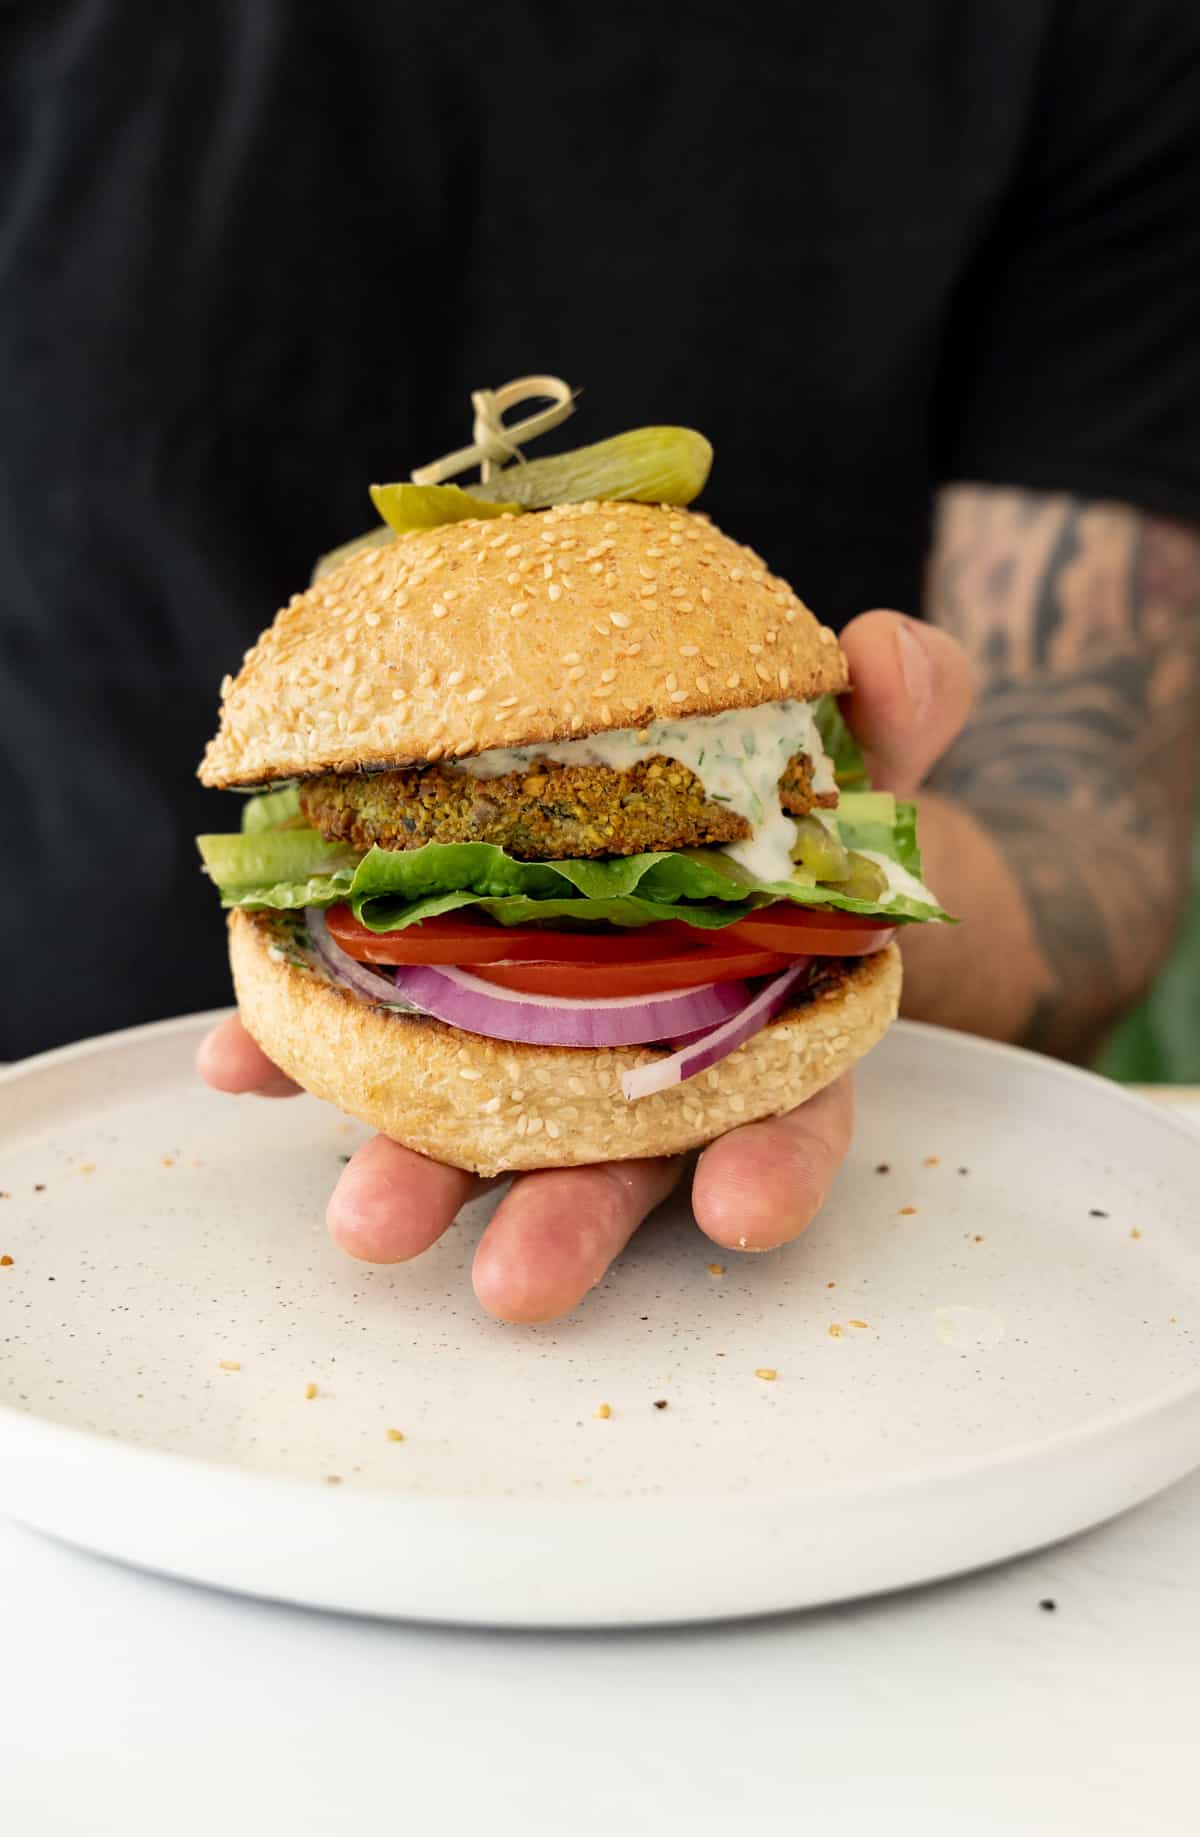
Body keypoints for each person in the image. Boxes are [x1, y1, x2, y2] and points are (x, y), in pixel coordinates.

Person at [4, 5, 1199, 1320]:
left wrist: (818, 886)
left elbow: (1098, 849)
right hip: (60, 1176)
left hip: (830, 1266)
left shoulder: (1088, 36)